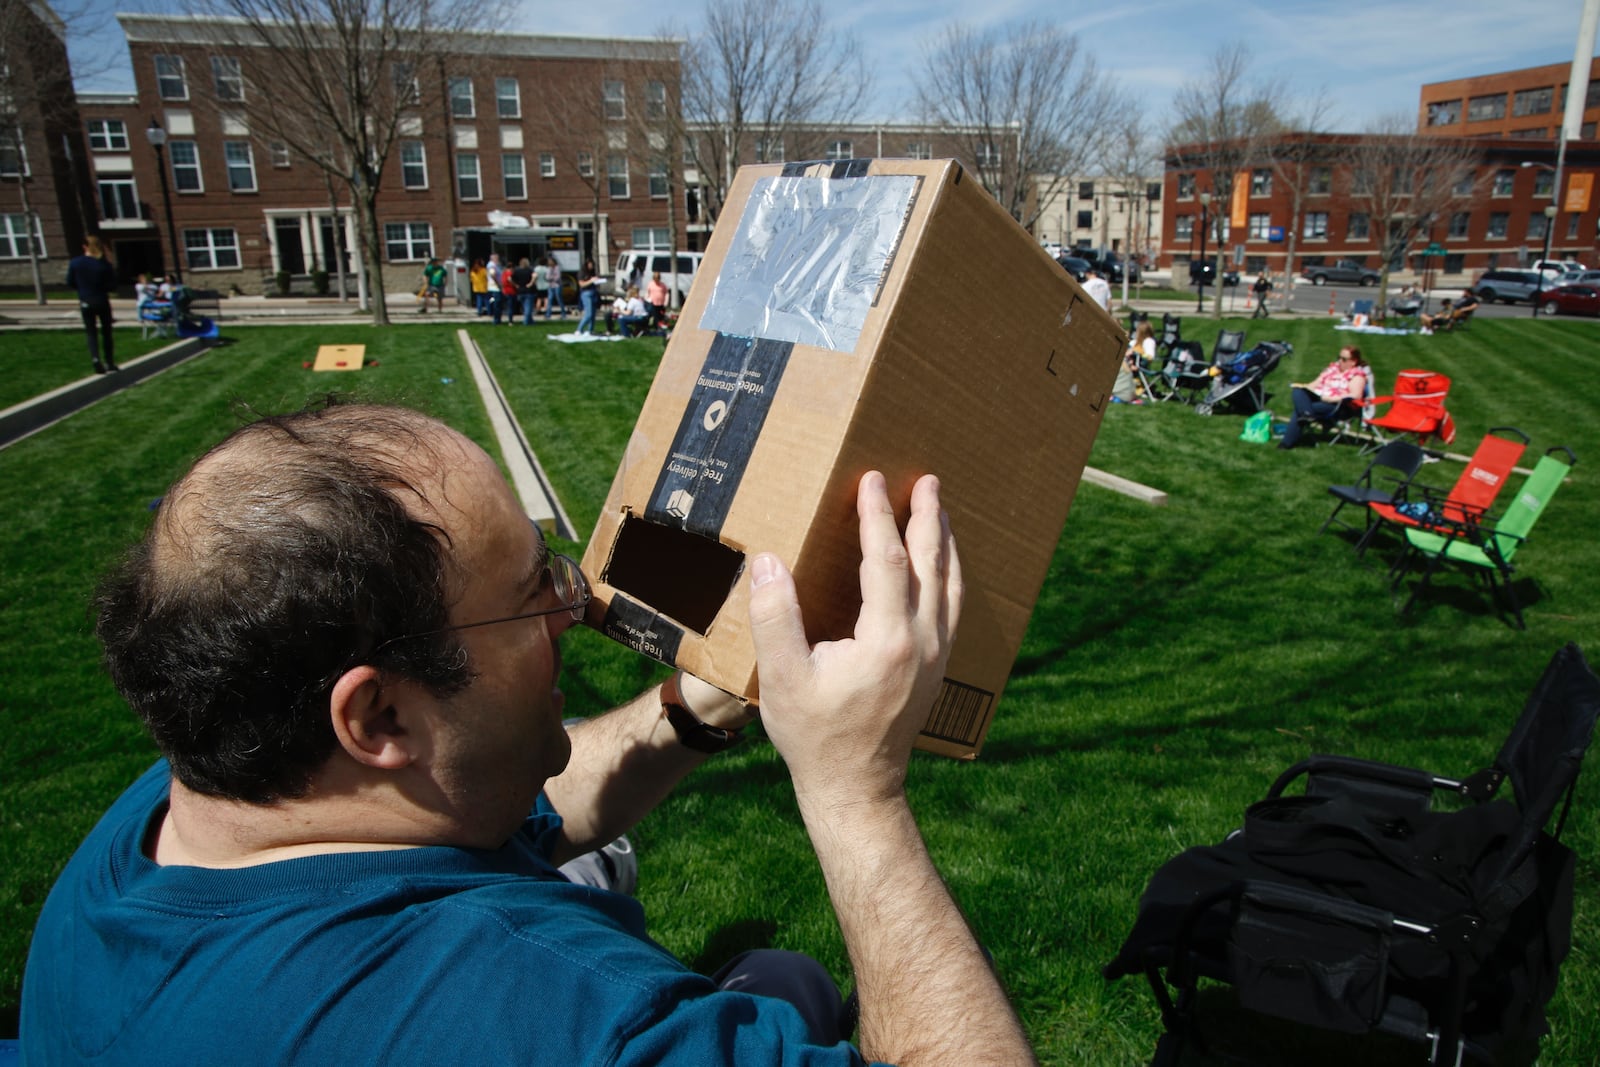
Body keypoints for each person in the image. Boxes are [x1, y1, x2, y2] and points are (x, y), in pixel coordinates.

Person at [20, 401, 1034, 1066]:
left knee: (783, 981)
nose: (576, 603)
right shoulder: (554, 1013)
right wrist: (856, 790)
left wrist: (694, 707)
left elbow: (525, 805)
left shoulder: (173, 816)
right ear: (378, 714)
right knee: (794, 985)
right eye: (528, 594)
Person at [1278, 344, 1370, 450]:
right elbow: (1314, 384)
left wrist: (1331, 399)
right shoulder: (1332, 369)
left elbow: (1355, 395)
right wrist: (1303, 386)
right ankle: (1306, 415)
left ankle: (1287, 442)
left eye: (1344, 359)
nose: (1340, 361)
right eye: (1338, 358)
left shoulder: (1357, 376)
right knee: (1297, 391)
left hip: (1339, 406)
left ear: (1353, 362)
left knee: (1299, 411)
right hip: (1320, 397)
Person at [66, 235, 119, 374]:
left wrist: (82, 288)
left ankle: (95, 358)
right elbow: (112, 285)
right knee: (106, 332)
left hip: (86, 300)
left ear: (84, 247)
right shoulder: (104, 265)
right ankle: (109, 361)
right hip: (101, 300)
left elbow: (70, 282)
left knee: (91, 332)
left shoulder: (76, 263)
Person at [1112, 320, 1156, 403]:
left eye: (1137, 330)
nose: (1136, 332)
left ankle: (1120, 390)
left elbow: (1150, 357)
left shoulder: (1149, 342)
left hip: (1140, 365)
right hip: (1129, 363)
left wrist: (1136, 353)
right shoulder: (1135, 342)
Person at [576, 258, 602, 335]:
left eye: (592, 265)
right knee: (589, 314)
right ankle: (579, 329)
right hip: (586, 294)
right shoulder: (582, 273)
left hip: (593, 292)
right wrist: (591, 281)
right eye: (590, 265)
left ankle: (590, 330)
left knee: (593, 314)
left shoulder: (592, 272)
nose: (591, 266)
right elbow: (582, 284)